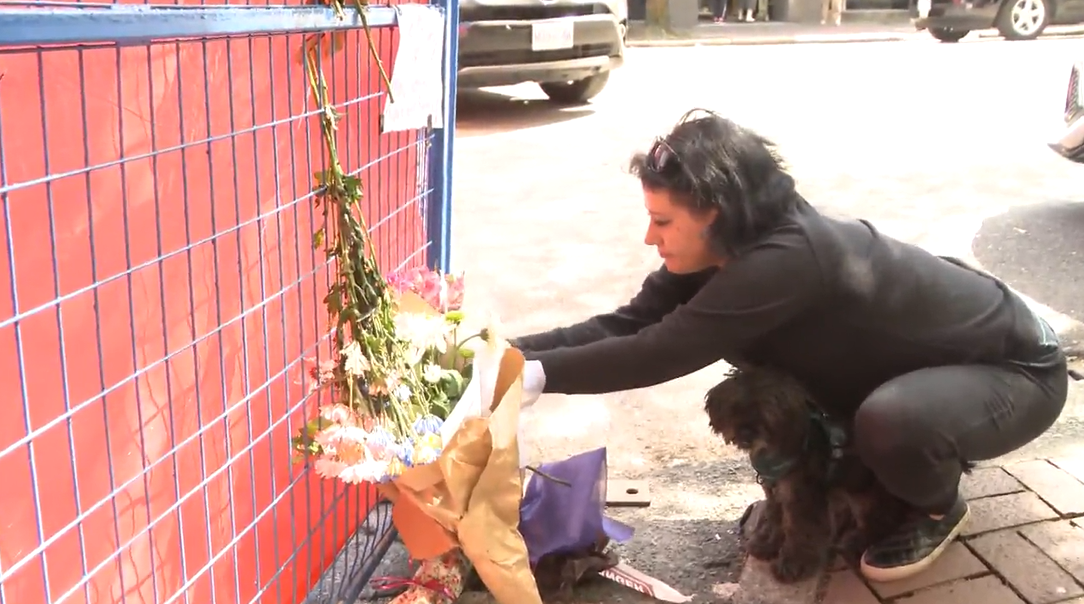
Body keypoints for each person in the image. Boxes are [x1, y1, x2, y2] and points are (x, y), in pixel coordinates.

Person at [511, 109, 1067, 583]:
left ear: (717, 212)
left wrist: (529, 378)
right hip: (928, 366)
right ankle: (867, 476)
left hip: (1018, 372)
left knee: (892, 422)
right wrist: (505, 354)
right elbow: (628, 324)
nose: (650, 238)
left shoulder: (788, 259)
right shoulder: (724, 246)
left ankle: (934, 506)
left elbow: (661, 349)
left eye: (662, 221)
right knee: (781, 386)